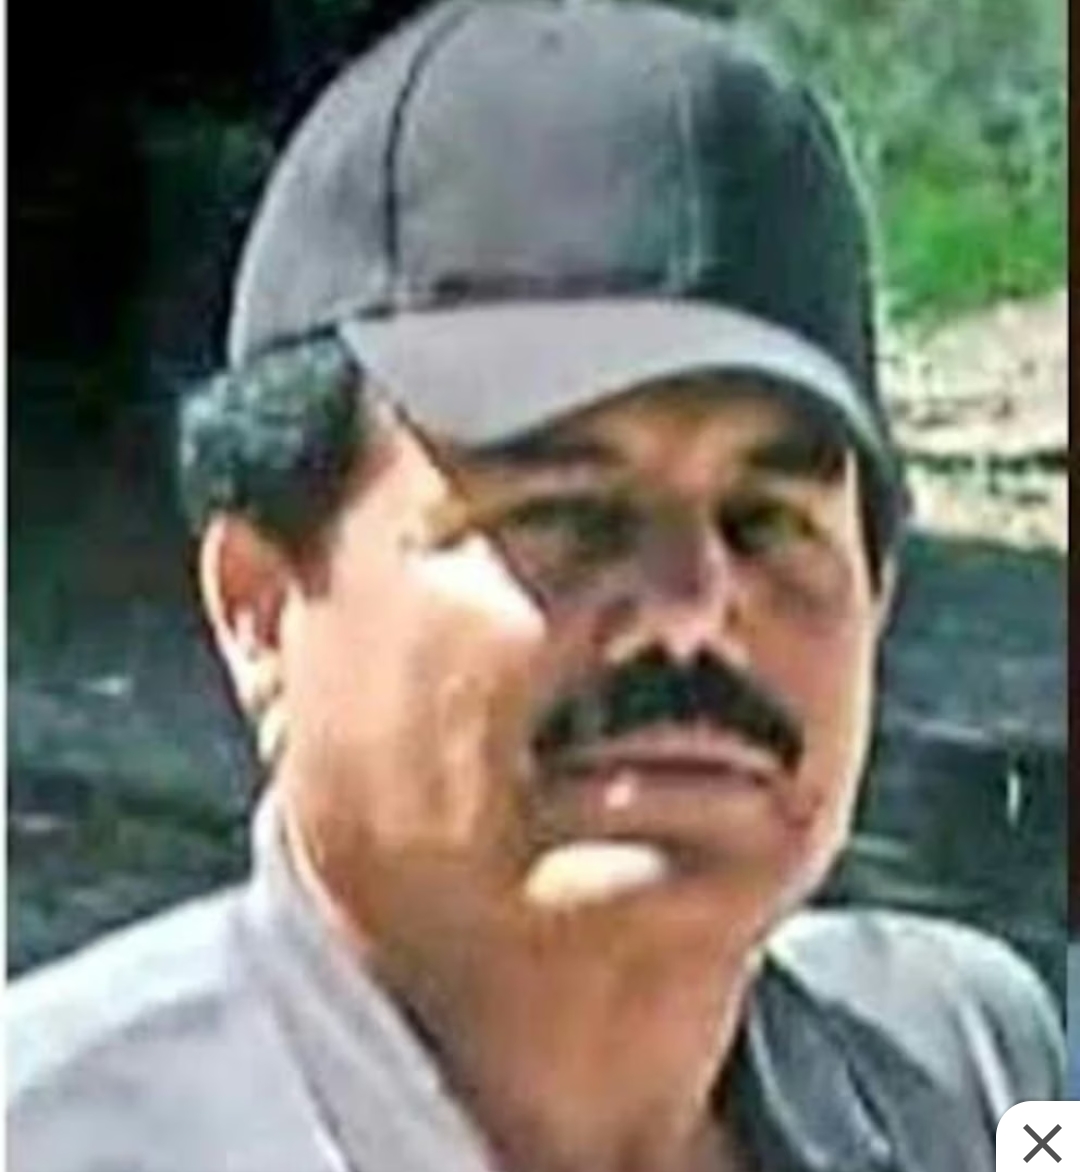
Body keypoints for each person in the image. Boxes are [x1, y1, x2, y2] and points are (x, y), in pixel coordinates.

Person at [7, 2, 1063, 1169]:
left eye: (768, 521)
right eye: (566, 517)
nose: (692, 605)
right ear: (259, 607)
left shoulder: (981, 1080)